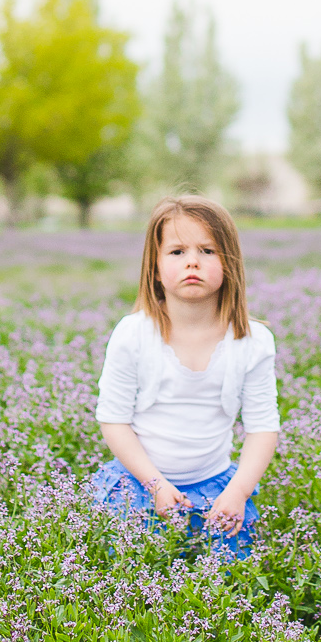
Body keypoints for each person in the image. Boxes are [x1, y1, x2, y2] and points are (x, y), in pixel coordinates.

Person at [89, 194, 279, 560]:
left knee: (227, 575)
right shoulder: (133, 334)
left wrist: (238, 491)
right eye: (177, 252)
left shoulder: (253, 342)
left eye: (208, 251)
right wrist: (155, 484)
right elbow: (113, 420)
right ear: (155, 267)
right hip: (140, 481)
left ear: (230, 264)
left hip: (217, 487)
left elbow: (262, 427)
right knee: (134, 570)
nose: (193, 261)